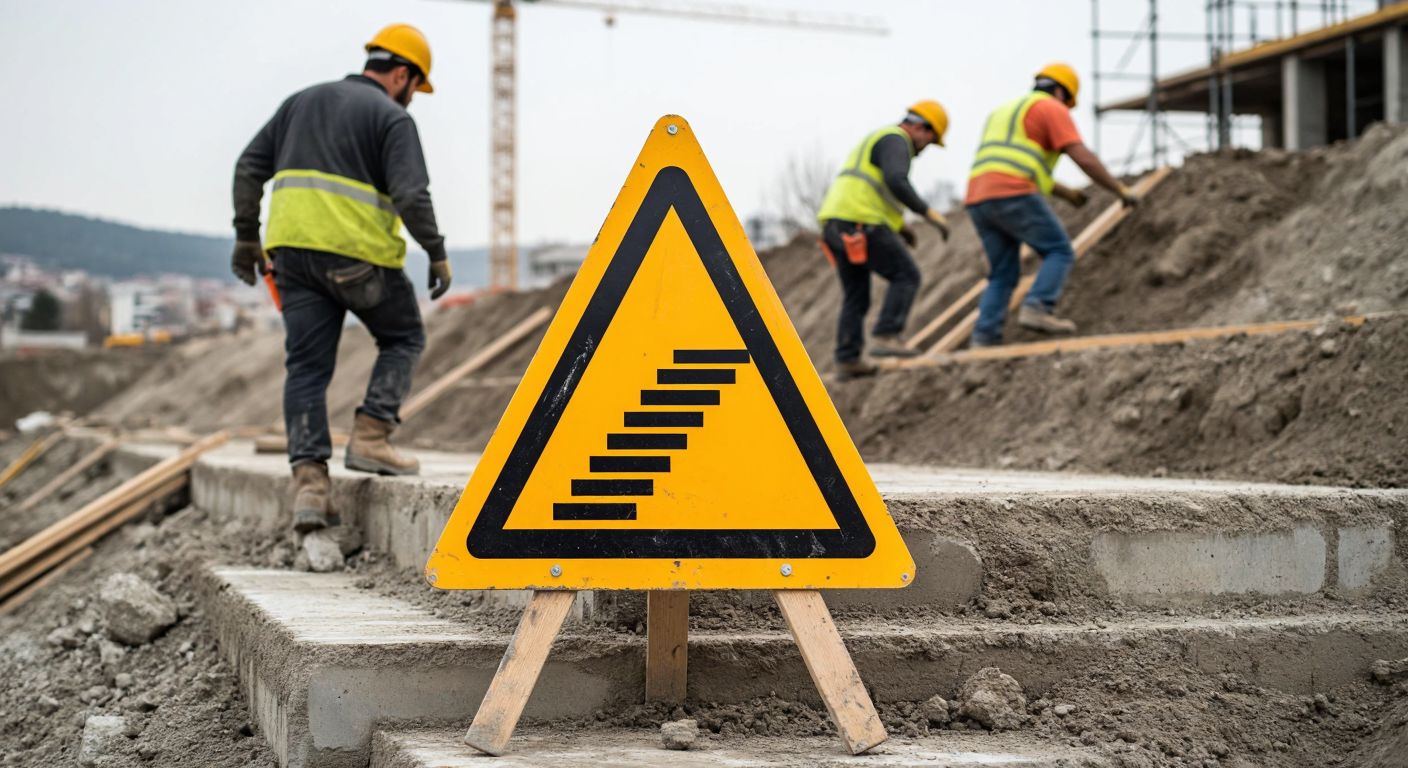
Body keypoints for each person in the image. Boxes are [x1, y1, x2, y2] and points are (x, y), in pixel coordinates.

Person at [230, 24, 453, 533]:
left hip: (292, 256)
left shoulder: (299, 103)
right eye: (416, 87)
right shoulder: (392, 118)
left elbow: (248, 167)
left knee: (306, 367)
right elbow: (412, 196)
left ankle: (310, 485)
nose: (413, 97)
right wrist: (436, 253)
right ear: (402, 75)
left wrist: (247, 235)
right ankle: (371, 438)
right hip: (358, 258)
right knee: (403, 336)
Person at [965, 63, 1140, 348]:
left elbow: (1016, 162)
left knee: (1002, 273)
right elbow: (1082, 157)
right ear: (1060, 91)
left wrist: (1066, 194)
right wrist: (1118, 189)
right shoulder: (1051, 108)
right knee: (1058, 250)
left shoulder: (1004, 111)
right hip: (1014, 192)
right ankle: (1038, 307)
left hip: (978, 198)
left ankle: (984, 337)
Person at [816, 101, 953, 380]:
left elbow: (876, 190)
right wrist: (927, 213)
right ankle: (887, 335)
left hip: (836, 225)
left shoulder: (879, 140)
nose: (926, 147)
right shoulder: (896, 139)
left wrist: (900, 226)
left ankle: (847, 358)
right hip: (861, 222)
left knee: (856, 295)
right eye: (930, 139)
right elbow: (896, 180)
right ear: (918, 126)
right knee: (906, 275)